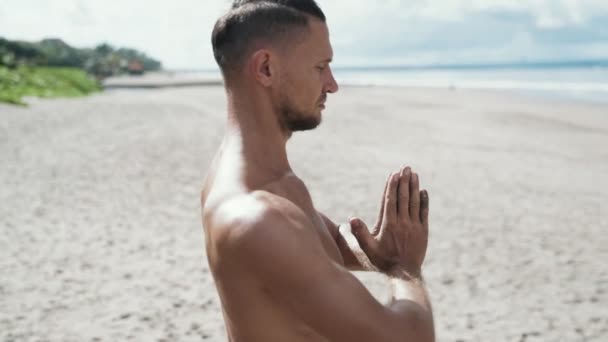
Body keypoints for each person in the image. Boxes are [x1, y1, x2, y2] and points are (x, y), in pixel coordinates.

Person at [201, 1, 434, 341]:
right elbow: (408, 337)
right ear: (266, 68)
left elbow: (311, 246)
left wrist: (376, 253)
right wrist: (405, 268)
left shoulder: (263, 179)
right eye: (320, 66)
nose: (332, 84)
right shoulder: (256, 216)